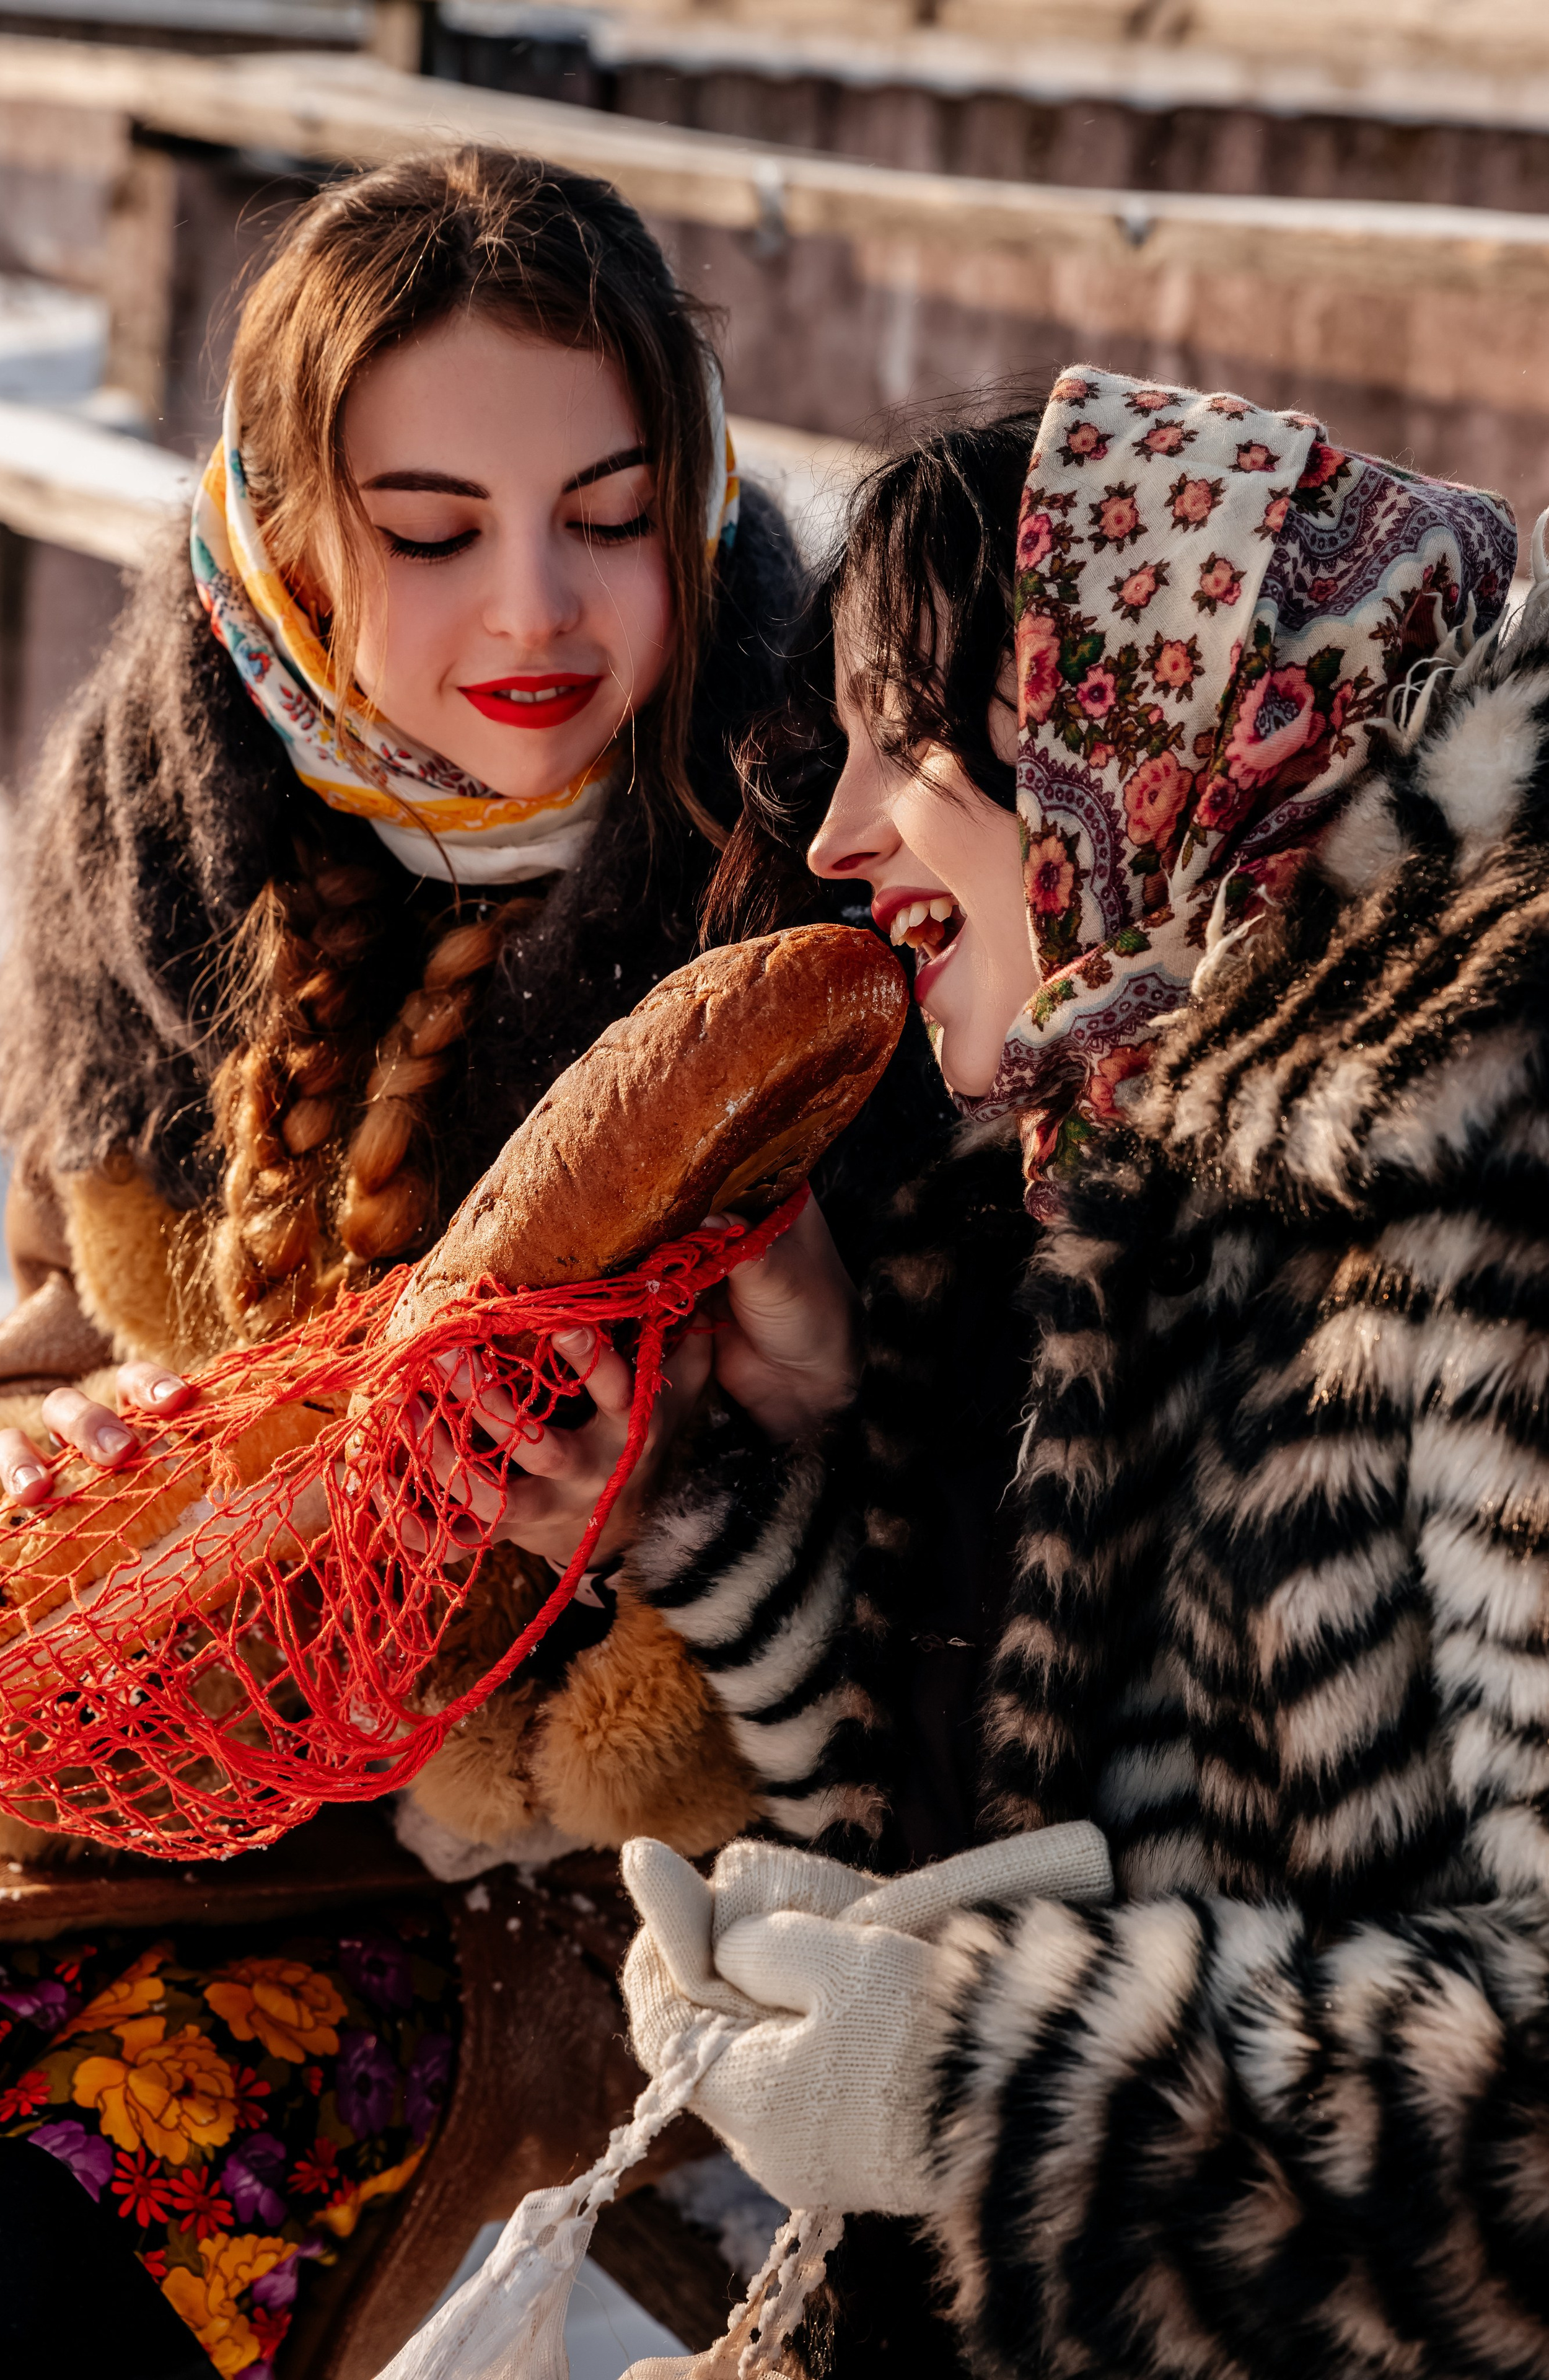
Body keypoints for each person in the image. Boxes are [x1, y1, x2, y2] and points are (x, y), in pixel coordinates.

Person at [493, 369, 1540, 2376]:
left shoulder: (1494, 1198)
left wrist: (976, 2077)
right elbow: (1033, 1821)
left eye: (904, 739)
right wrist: (712, 1516)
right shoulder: (1079, 1192)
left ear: (1150, 734)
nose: (837, 835)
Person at [0, 146, 895, 2379]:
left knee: (80, 2207)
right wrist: (53, 1446)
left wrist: (766, 1449)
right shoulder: (160, 819)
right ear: (292, 529)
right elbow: (57, 1326)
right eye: (433, 532)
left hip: (610, 1881)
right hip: (168, 1779)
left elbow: (990, 1584)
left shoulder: (843, 846)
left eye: (612, 514)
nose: (537, 616)